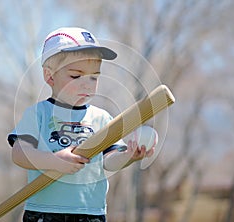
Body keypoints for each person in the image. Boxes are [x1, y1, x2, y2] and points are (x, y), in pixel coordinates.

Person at [8, 27, 155, 222]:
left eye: (94, 76)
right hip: (45, 213)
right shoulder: (38, 114)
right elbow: (19, 153)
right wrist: (52, 160)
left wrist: (129, 155)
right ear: (50, 76)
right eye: (76, 76)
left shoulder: (102, 118)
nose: (87, 84)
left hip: (90, 213)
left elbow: (109, 160)